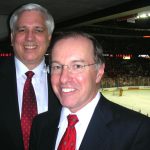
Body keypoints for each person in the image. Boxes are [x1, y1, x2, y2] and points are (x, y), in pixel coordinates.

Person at [29, 31, 150, 150]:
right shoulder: (40, 124)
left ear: (99, 72)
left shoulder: (137, 130)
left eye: (77, 66)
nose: (63, 78)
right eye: (57, 67)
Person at [0, 3, 60, 150]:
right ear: (12, 37)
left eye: (38, 30)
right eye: (22, 29)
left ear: (49, 38)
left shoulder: (65, 79)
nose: (30, 37)